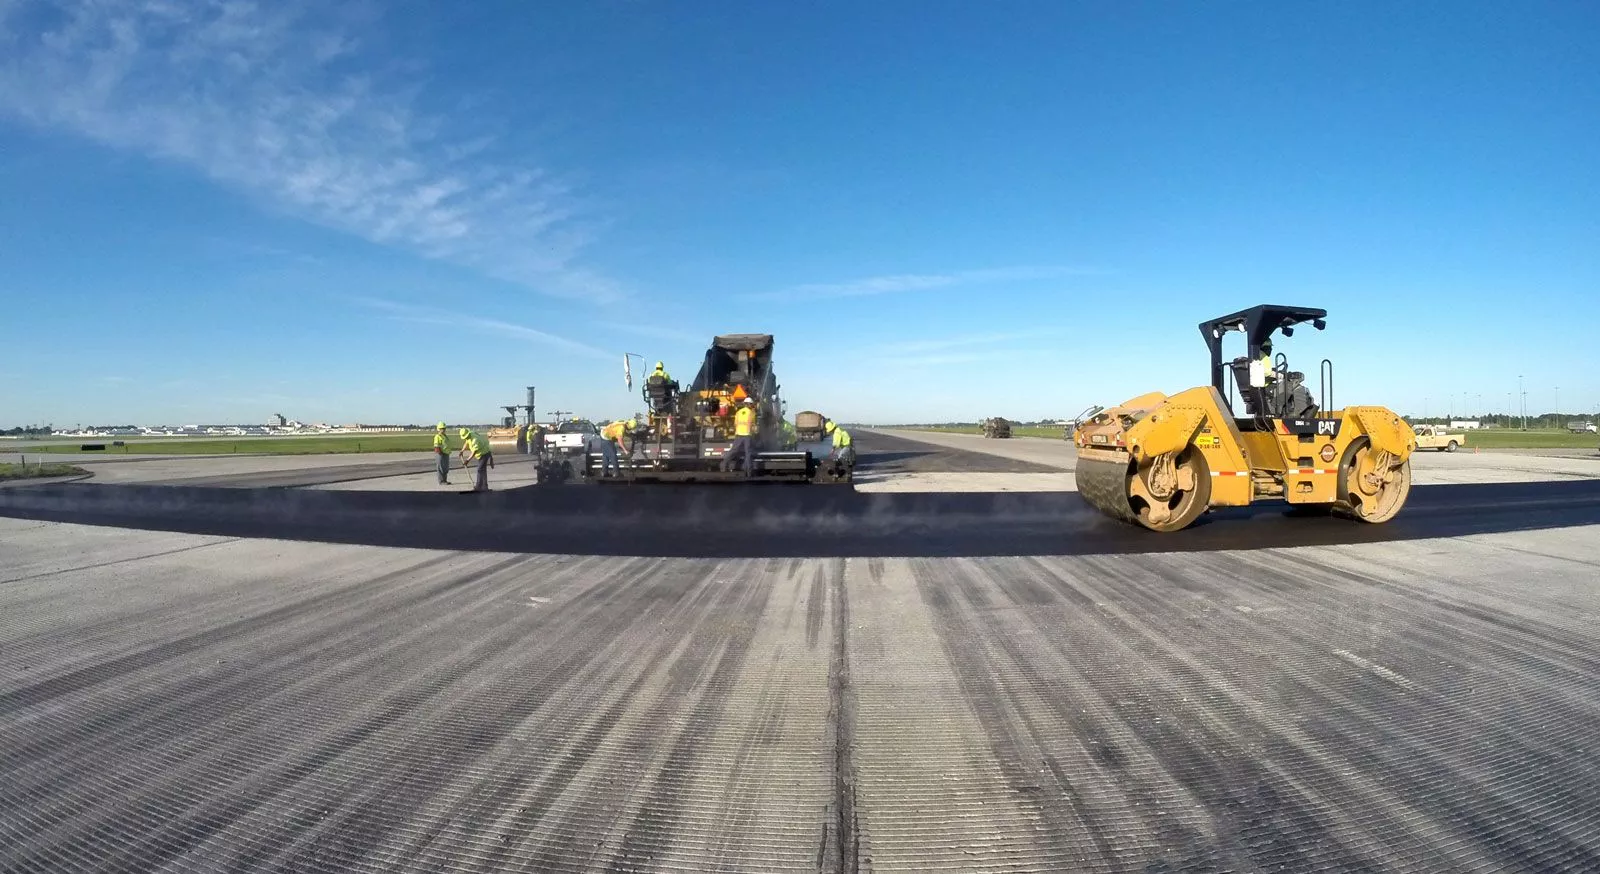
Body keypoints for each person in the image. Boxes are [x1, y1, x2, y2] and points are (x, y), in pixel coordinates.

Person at [721, 397, 758, 476]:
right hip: (747, 435)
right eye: (752, 404)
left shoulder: (738, 412)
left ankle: (723, 465)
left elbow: (735, 424)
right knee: (748, 453)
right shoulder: (751, 413)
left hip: (738, 435)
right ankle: (749, 472)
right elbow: (753, 424)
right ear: (750, 404)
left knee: (733, 450)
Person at [457, 426, 494, 492]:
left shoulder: (474, 440)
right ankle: (485, 487)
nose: (466, 438)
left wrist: (467, 460)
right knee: (482, 470)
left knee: (480, 470)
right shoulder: (470, 434)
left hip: (484, 453)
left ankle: (478, 487)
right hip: (482, 453)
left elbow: (474, 452)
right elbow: (466, 442)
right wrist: (462, 450)